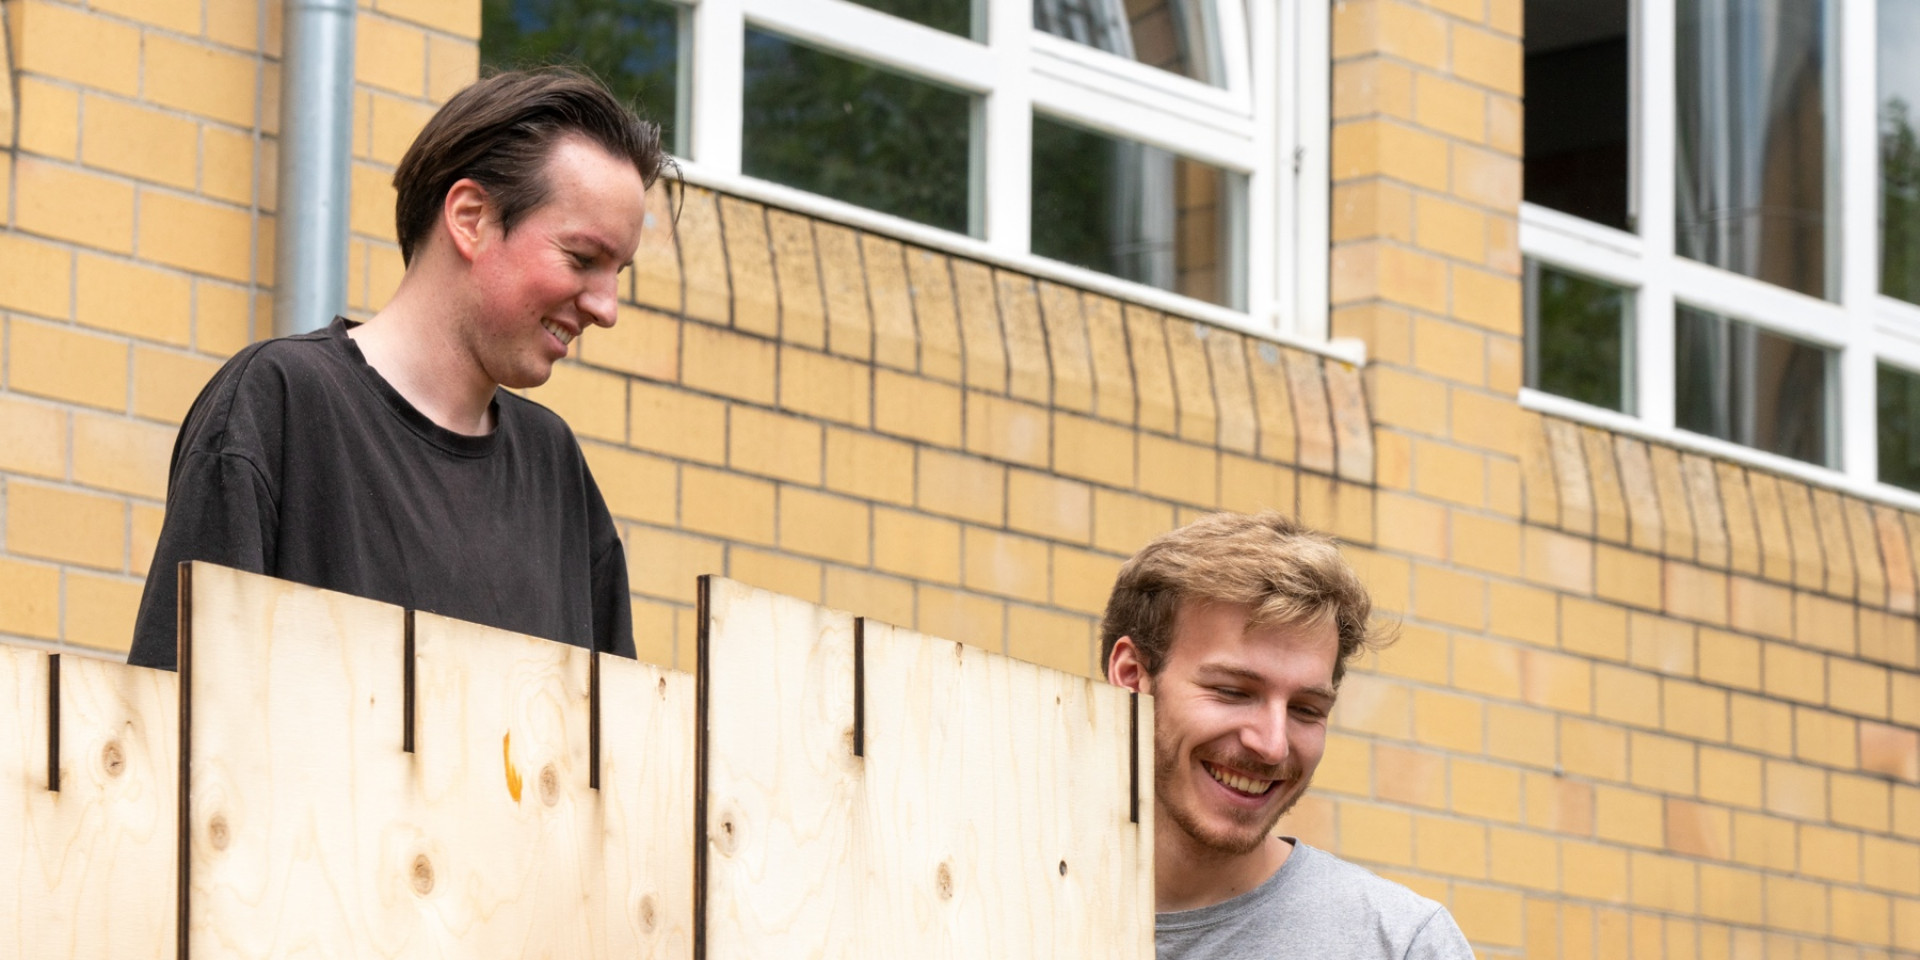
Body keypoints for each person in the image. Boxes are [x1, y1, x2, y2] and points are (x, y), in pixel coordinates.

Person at [128, 68, 669, 668]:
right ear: (471, 218)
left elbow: (611, 746)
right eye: (582, 258)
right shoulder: (280, 404)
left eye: (615, 273)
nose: (606, 308)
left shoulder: (556, 466)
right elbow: (178, 719)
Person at [1102, 511, 1473, 959]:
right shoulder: (1005, 895)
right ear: (1131, 677)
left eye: (1305, 709)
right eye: (1233, 691)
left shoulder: (1398, 943)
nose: (1273, 744)